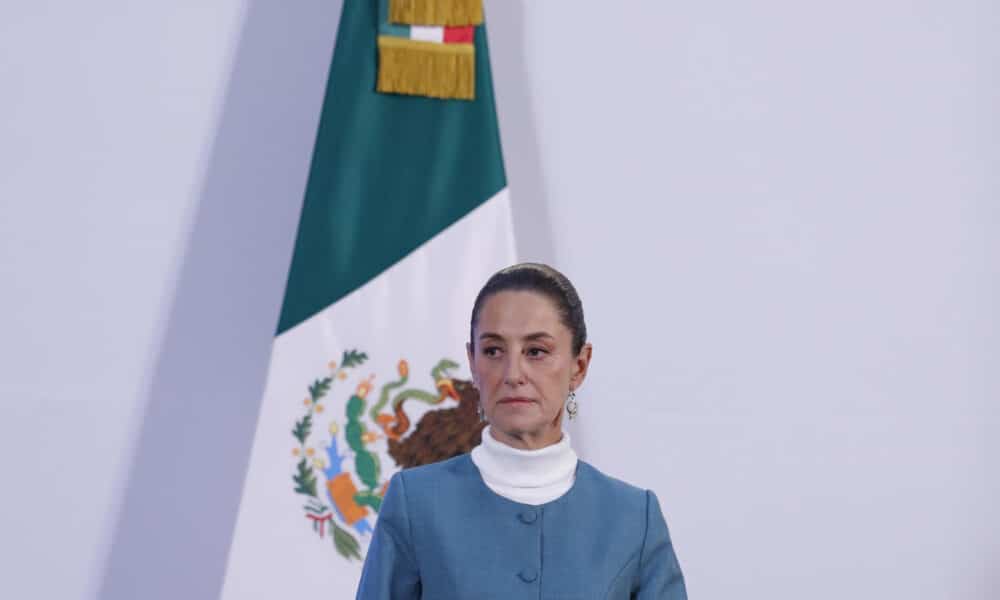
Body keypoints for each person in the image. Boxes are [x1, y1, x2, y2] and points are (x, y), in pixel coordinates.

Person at [356, 263, 687, 599]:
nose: (513, 373)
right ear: (472, 362)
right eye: (493, 351)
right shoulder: (415, 504)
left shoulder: (633, 517)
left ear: (579, 365)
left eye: (536, 352)